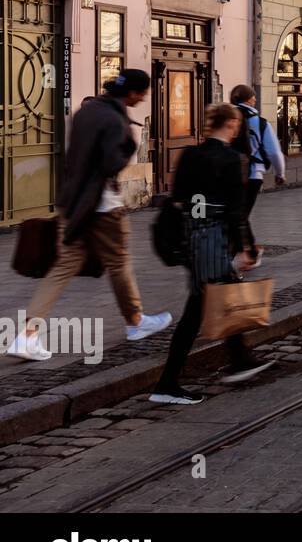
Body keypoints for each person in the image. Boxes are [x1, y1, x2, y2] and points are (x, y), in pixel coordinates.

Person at [7, 70, 173, 362]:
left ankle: (27, 335)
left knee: (62, 267)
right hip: (104, 206)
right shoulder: (114, 119)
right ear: (133, 93)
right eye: (143, 93)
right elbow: (110, 163)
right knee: (119, 262)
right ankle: (135, 322)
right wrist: (130, 148)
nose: (144, 97)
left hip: (73, 202)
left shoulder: (87, 112)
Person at [150, 104, 273, 404]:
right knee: (196, 311)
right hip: (213, 238)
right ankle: (167, 385)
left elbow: (178, 197)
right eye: (237, 126)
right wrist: (245, 245)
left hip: (193, 235)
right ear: (230, 124)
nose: (238, 131)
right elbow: (236, 209)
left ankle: (240, 361)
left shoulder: (191, 154)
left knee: (223, 298)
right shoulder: (231, 159)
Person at [230, 84, 285, 261]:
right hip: (253, 174)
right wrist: (280, 173)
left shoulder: (226, 118)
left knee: (238, 214)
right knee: (241, 215)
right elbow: (274, 151)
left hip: (228, 173)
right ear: (248, 99)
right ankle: (246, 253)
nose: (255, 101)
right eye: (253, 98)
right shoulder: (260, 123)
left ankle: (246, 251)